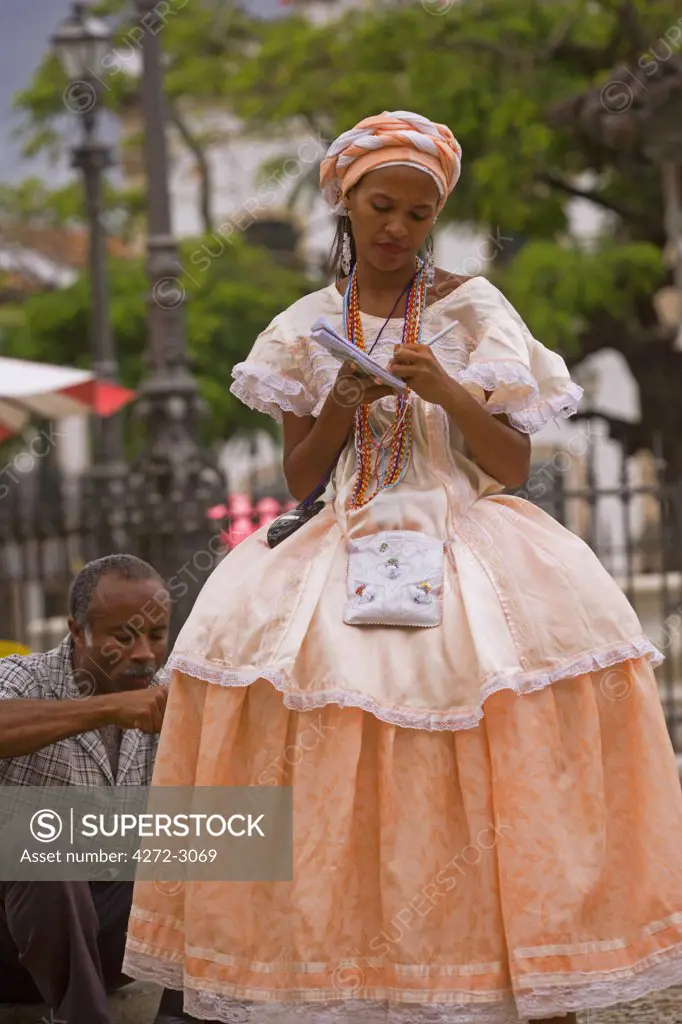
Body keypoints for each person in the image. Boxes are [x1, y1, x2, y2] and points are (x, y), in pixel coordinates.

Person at [123, 111, 682, 1024]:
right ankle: (344, 964)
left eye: (420, 215)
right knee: (325, 737)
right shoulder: (305, 325)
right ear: (346, 206)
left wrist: (446, 388)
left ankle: (503, 970)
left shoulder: (475, 308)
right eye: (382, 207)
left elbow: (507, 467)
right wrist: (341, 403)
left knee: (488, 735)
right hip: (338, 542)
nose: (398, 228)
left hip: (467, 543)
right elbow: (300, 478)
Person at [0, 553, 170, 1024]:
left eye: (156, 636)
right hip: (13, 946)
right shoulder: (24, 676)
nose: (144, 653)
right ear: (77, 631)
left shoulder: (168, 692)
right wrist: (108, 709)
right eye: (124, 636)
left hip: (114, 944)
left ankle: (184, 1012)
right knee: (40, 835)